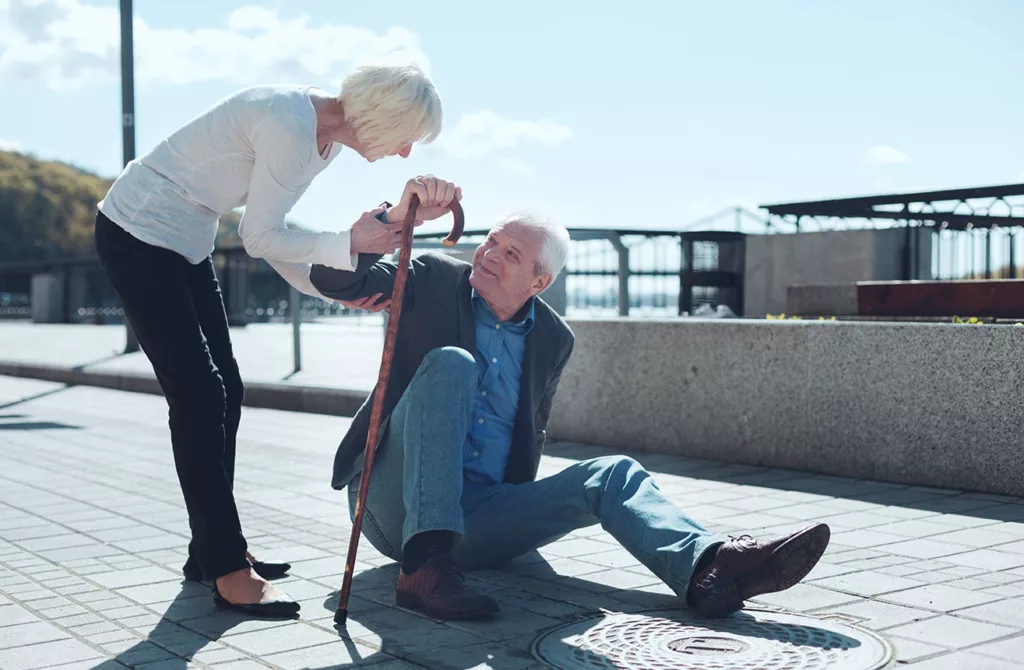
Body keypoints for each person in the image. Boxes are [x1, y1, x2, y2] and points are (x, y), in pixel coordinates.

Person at [308, 205, 832, 621]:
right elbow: (336, 281)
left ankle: (707, 569)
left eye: (511, 254)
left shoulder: (554, 339)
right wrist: (387, 224)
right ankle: (421, 569)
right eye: (492, 239)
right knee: (452, 364)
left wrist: (520, 512)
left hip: (478, 519)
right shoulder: (431, 279)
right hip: (389, 503)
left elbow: (527, 434)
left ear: (538, 282)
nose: (489, 253)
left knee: (613, 473)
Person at [93, 63, 460, 617]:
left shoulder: (321, 138)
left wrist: (332, 279)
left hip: (185, 239)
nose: (405, 153)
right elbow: (261, 237)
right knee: (199, 396)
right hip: (138, 232)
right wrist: (347, 242)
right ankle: (226, 569)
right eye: (405, 136)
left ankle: (210, 551)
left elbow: (273, 236)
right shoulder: (290, 125)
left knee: (227, 390)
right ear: (381, 116)